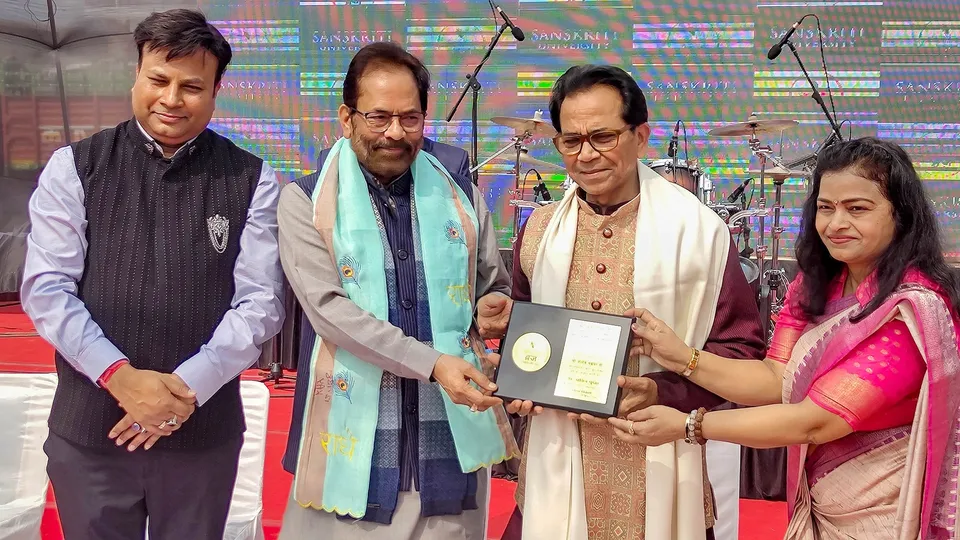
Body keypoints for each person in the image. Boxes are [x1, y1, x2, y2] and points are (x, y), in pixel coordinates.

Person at [19, 8, 284, 540]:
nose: (171, 99)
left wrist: (182, 390)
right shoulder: (75, 166)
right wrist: (122, 379)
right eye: (158, 79)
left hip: (201, 432)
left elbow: (260, 304)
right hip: (91, 431)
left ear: (215, 91)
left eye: (191, 86)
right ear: (136, 75)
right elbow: (47, 290)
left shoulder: (252, 178)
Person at [479, 64, 768, 540]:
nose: (586, 155)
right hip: (557, 463)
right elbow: (530, 341)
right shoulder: (540, 231)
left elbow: (740, 353)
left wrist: (662, 392)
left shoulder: (700, 234)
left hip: (658, 463)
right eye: (570, 141)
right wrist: (515, 367)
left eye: (603, 137)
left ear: (641, 136)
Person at [622, 137, 960, 539]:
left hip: (882, 513)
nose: (835, 224)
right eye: (825, 207)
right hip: (820, 503)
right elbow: (774, 379)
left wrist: (689, 426)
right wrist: (681, 356)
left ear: (900, 214)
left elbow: (815, 422)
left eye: (857, 209)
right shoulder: (815, 286)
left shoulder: (910, 312)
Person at [276, 41, 518, 540]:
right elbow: (330, 313)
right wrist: (432, 363)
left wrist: (493, 306)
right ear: (347, 117)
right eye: (378, 116)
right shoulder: (304, 200)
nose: (394, 132)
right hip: (353, 447)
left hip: (449, 440)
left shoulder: (462, 195)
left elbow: (490, 285)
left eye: (410, 118)